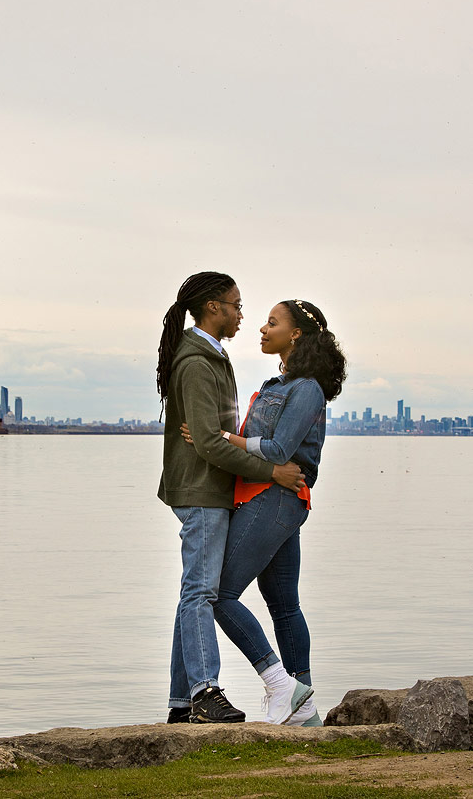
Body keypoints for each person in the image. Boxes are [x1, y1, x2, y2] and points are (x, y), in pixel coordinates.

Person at [183, 299, 346, 726]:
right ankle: (303, 707)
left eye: (272, 323)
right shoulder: (276, 385)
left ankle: (279, 684)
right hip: (267, 496)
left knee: (219, 594)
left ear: (296, 334)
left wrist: (221, 438)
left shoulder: (306, 388)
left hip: (274, 499)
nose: (262, 328)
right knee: (284, 605)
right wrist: (217, 438)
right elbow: (260, 445)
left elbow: (277, 450)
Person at [157, 272, 305, 724]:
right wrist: (273, 471)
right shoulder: (198, 362)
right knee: (202, 592)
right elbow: (208, 442)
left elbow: (214, 435)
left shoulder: (212, 357)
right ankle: (205, 692)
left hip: (211, 487)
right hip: (201, 488)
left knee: (195, 592)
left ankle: (182, 703)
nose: (242, 315)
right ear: (213, 307)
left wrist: (221, 439)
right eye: (237, 305)